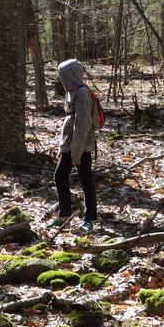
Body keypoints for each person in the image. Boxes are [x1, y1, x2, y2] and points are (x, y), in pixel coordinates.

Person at [51, 59, 97, 234]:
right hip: (70, 146)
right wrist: (64, 147)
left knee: (86, 181)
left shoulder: (82, 93)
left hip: (80, 147)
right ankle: (64, 215)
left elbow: (82, 124)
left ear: (71, 74)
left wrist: (76, 152)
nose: (62, 79)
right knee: (60, 176)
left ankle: (90, 219)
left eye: (64, 74)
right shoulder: (71, 92)